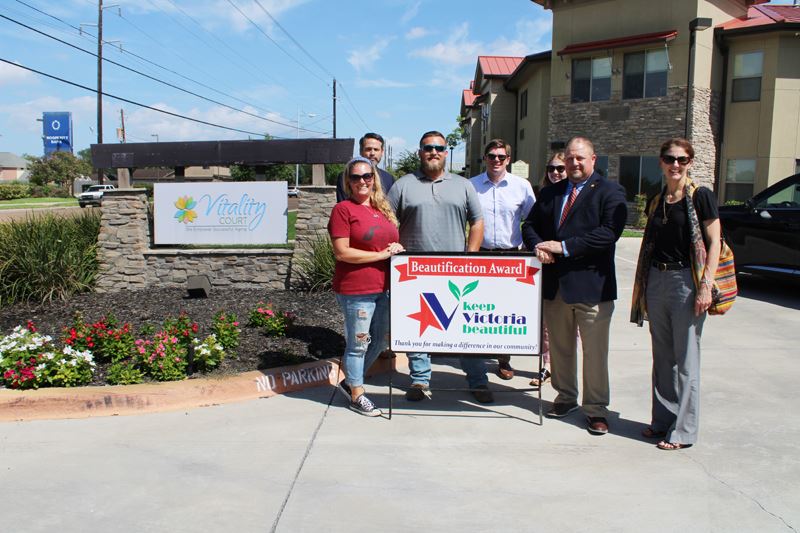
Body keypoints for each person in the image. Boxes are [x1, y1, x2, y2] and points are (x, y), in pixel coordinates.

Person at [521, 136, 627, 435]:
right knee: (561, 348)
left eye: (580, 158)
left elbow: (609, 233)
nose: (574, 163)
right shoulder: (550, 193)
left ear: (594, 159)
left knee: (595, 354)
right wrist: (538, 246)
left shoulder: (610, 191)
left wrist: (563, 247)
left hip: (593, 287)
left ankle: (596, 409)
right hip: (556, 288)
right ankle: (565, 398)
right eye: (569, 158)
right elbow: (529, 226)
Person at [387, 131, 490, 403]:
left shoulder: (463, 185)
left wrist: (471, 257)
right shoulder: (403, 185)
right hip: (412, 272)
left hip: (455, 271)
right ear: (420, 152)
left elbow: (477, 222)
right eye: (428, 147)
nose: (434, 152)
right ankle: (420, 381)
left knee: (465, 328)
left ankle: (478, 380)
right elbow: (386, 222)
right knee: (418, 329)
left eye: (439, 148)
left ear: (446, 152)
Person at [631, 138, 720, 450]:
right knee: (662, 357)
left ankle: (683, 431)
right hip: (657, 279)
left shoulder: (701, 197)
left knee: (686, 360)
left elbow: (714, 243)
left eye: (682, 159)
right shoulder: (657, 199)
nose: (676, 164)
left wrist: (705, 286)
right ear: (661, 162)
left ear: (690, 163)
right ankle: (663, 421)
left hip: (687, 281)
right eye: (670, 158)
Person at [328, 156, 405, 416]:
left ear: (374, 179)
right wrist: (382, 255)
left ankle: (350, 383)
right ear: (348, 182)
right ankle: (357, 394)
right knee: (358, 344)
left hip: (383, 288)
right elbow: (343, 253)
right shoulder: (343, 210)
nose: (362, 181)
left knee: (379, 342)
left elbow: (388, 242)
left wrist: (395, 248)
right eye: (355, 177)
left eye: (367, 176)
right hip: (356, 290)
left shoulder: (381, 209)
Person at [469, 139, 535, 381]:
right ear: (484, 158)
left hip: (511, 256)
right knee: (478, 309)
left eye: (501, 156)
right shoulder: (471, 186)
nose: (496, 160)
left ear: (508, 159)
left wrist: (530, 250)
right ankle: (475, 359)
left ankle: (504, 359)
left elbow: (531, 221)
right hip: (481, 254)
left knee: (506, 312)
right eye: (491, 155)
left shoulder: (522, 186)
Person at [529, 152, 566, 387]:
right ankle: (547, 366)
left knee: (570, 326)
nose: (555, 173)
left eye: (560, 169)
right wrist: (538, 245)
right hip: (545, 265)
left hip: (572, 268)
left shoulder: (580, 194)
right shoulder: (543, 196)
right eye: (551, 168)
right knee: (544, 321)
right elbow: (530, 225)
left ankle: (563, 368)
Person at [336, 133, 395, 202]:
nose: (372, 153)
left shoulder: (389, 179)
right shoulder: (346, 176)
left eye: (376, 149)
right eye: (368, 149)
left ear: (382, 152)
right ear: (361, 151)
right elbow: (344, 207)